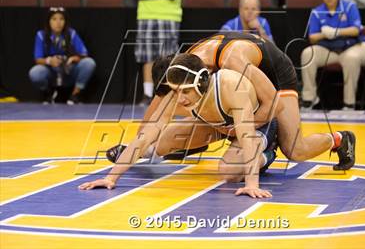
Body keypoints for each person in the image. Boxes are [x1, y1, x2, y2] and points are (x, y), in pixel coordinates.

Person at [108, 32, 356, 172]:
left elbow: (273, 104)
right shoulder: (183, 69)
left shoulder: (231, 61)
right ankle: (196, 143)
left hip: (274, 75)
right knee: (167, 136)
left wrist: (237, 128)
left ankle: (338, 139)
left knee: (295, 149)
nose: (176, 98)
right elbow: (154, 117)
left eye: (177, 92)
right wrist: (135, 148)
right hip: (233, 87)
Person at [80, 53, 280, 198]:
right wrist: (111, 178)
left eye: (185, 91)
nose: (180, 98)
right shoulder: (177, 94)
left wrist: (252, 183)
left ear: (200, 82)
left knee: (229, 172)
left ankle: (267, 154)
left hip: (256, 125)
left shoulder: (230, 86)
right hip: (220, 125)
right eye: (176, 91)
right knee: (163, 139)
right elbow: (145, 137)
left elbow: (245, 135)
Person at [300, 0, 365, 110]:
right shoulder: (317, 12)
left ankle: (349, 103)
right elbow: (312, 37)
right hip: (330, 50)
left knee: (351, 58)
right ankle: (309, 98)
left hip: (354, 47)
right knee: (307, 53)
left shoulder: (350, 7)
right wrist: (324, 34)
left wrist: (336, 32)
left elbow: (356, 30)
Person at [134, 0, 186, 104]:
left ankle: (169, 93)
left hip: (169, 16)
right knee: (148, 57)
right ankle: (148, 94)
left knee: (169, 57)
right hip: (146, 16)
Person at [28, 7, 96, 104]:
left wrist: (74, 58)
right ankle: (49, 94)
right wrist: (49, 61)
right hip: (52, 72)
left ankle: (75, 95)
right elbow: (38, 59)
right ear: (49, 21)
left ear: (65, 21)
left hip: (69, 71)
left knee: (89, 63)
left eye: (61, 19)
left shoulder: (71, 33)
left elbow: (84, 54)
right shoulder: (41, 35)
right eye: (54, 19)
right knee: (35, 72)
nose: (58, 22)